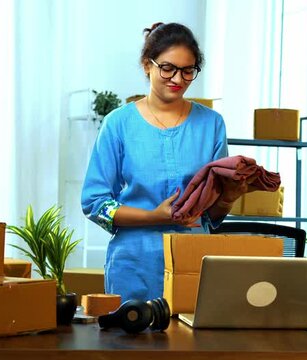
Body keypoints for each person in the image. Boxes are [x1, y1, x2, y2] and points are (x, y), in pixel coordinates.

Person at [81, 22, 252, 302]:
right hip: (134, 264)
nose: (178, 79)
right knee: (132, 343)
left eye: (188, 71)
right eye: (168, 68)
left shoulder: (211, 124)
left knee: (194, 343)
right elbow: (96, 203)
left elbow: (211, 215)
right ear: (147, 65)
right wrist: (153, 217)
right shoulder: (118, 124)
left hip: (196, 262)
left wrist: (229, 197)